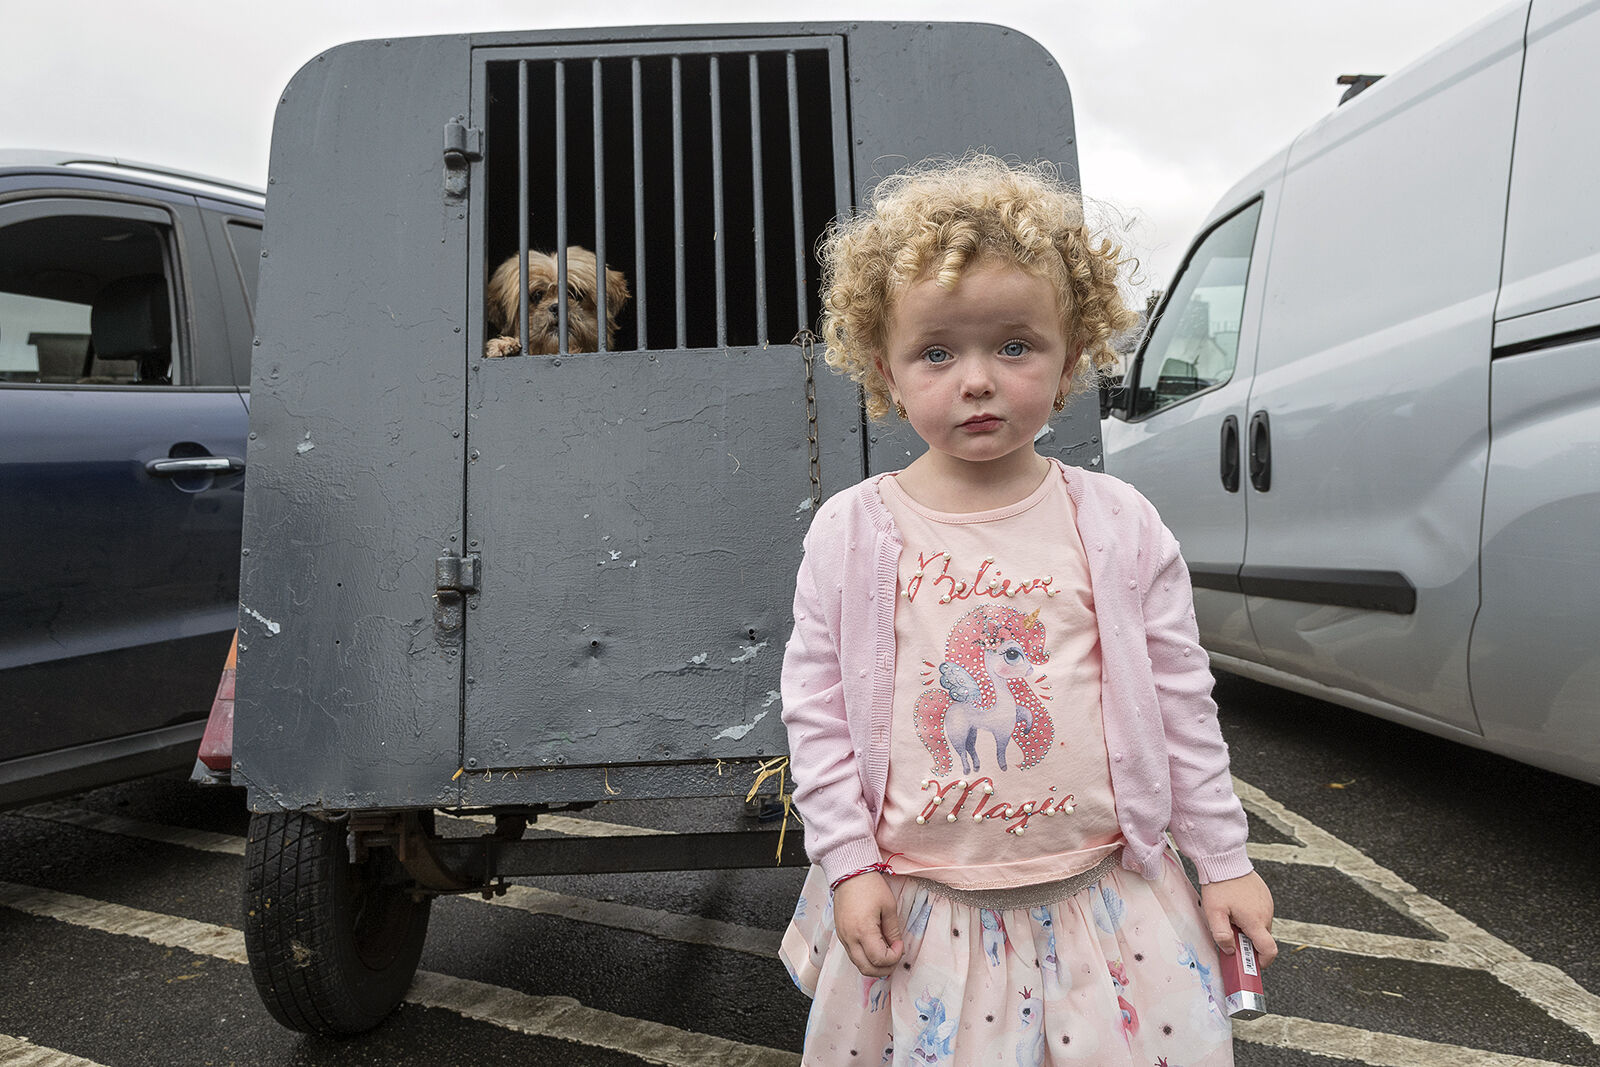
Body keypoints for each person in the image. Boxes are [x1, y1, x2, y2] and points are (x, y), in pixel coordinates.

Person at [777, 155, 1275, 1066]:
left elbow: (1181, 704)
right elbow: (816, 714)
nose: (976, 380)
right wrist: (848, 864)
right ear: (883, 371)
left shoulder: (1118, 523)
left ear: (1072, 356)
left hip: (1110, 903)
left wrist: (1226, 859)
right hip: (921, 911)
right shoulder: (852, 532)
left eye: (1014, 346)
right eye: (937, 351)